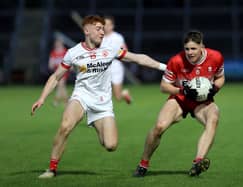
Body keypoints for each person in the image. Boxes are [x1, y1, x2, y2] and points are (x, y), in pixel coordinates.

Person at [31, 15, 166, 179]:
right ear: (86, 30)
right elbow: (55, 77)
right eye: (98, 28)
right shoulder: (73, 53)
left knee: (110, 145)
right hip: (81, 97)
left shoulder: (109, 49)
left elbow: (138, 58)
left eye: (103, 28)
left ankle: (94, 121)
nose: (102, 32)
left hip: (103, 103)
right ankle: (51, 169)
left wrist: (165, 67)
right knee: (65, 126)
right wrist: (42, 98)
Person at [133, 30, 225, 177]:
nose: (190, 52)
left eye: (194, 48)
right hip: (180, 98)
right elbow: (164, 86)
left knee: (213, 119)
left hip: (202, 101)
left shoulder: (216, 57)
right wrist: (183, 91)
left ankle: (198, 162)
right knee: (159, 127)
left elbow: (221, 77)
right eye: (187, 49)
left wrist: (214, 89)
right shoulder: (176, 61)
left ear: (202, 47)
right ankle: (143, 164)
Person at [101, 15, 132, 104]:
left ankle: (124, 93)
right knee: (102, 93)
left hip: (115, 66)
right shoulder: (100, 37)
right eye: (104, 24)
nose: (106, 27)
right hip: (103, 66)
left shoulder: (117, 37)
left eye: (108, 25)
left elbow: (125, 51)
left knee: (117, 96)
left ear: (112, 26)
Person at [48, 38, 69, 106]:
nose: (57, 44)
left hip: (64, 71)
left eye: (58, 43)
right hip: (57, 71)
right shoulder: (53, 52)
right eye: (56, 43)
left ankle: (56, 101)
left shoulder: (65, 52)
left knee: (60, 85)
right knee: (62, 86)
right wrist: (52, 64)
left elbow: (69, 61)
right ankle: (66, 101)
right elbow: (50, 63)